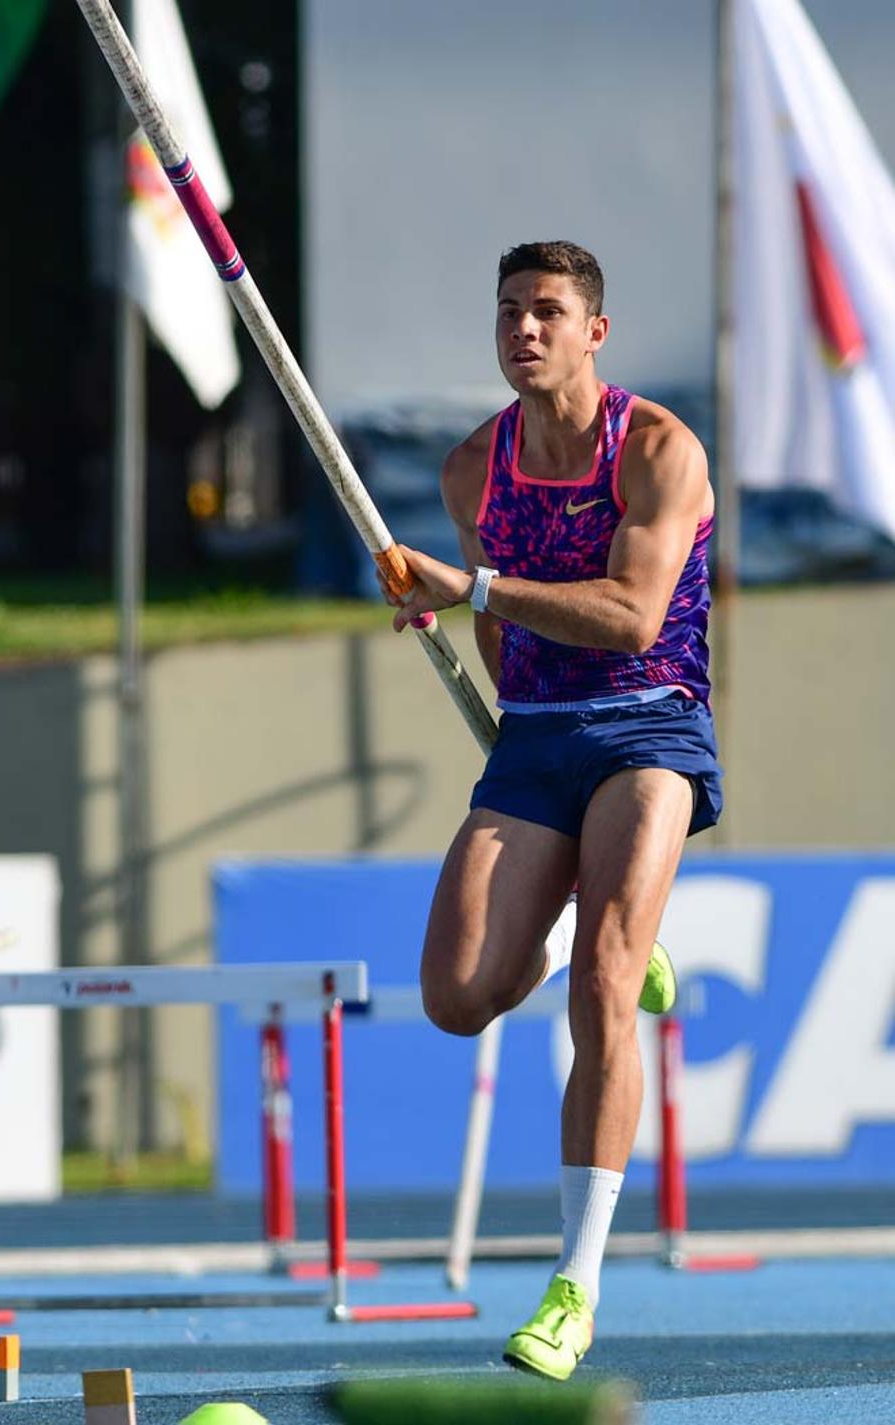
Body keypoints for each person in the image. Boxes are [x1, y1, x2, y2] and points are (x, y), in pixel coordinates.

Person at [381, 240, 722, 1380]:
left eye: (546, 312)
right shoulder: (472, 469)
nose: (522, 330)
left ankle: (572, 1289)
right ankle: (604, 912)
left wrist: (466, 585)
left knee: (601, 987)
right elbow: (493, 622)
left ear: (594, 333)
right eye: (508, 313)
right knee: (456, 996)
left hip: (646, 722)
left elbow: (629, 616)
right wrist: (453, 614)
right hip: (533, 738)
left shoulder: (658, 449)